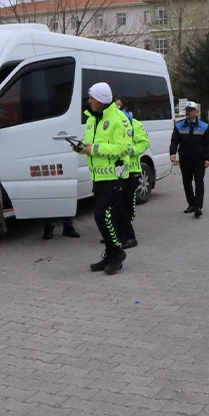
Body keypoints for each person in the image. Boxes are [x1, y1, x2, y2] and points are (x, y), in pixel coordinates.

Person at [76, 82, 133, 275]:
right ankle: (111, 254)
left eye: (92, 98)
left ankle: (117, 253)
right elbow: (92, 144)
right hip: (98, 176)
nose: (89, 101)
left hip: (114, 176)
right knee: (103, 217)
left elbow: (123, 147)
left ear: (101, 100)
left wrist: (95, 149)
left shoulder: (119, 119)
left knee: (102, 216)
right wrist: (82, 147)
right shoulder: (92, 118)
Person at [115, 96, 150, 248]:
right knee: (116, 205)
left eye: (119, 107)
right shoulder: (109, 125)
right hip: (116, 172)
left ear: (125, 109)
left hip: (132, 171)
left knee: (126, 205)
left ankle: (128, 236)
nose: (116, 110)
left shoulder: (134, 124)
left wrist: (131, 151)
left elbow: (144, 143)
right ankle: (116, 234)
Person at [170, 101, 209, 218]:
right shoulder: (179, 126)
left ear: (195, 112)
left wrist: (208, 158)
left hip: (199, 160)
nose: (187, 112)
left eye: (190, 110)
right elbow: (174, 141)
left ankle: (198, 206)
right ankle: (191, 204)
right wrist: (172, 153)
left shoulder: (204, 126)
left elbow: (208, 143)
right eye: (186, 110)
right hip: (185, 159)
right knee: (186, 182)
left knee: (199, 182)